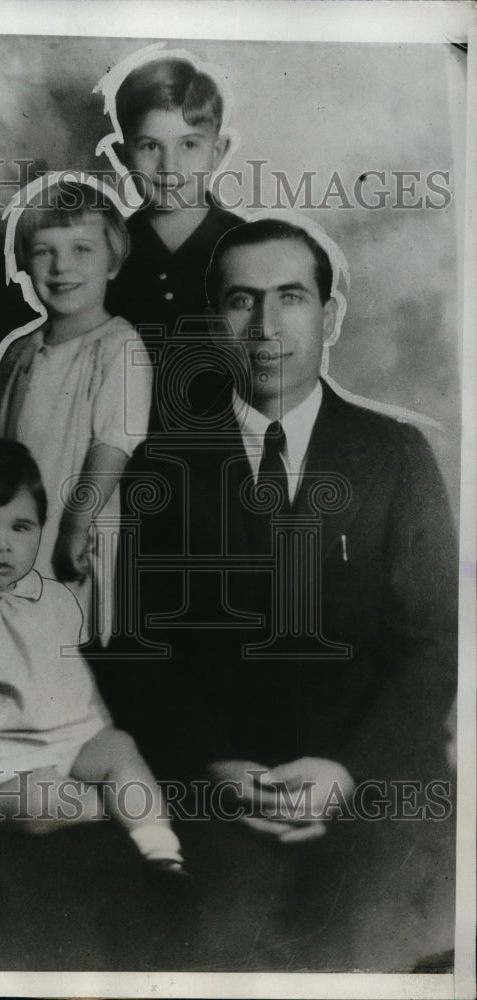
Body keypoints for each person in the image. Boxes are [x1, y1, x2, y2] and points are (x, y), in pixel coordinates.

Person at [102, 217, 458, 839]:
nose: (265, 327)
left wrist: (348, 774)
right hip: (215, 797)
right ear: (214, 324)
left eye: (290, 297)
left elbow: (435, 644)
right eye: (242, 301)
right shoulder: (160, 466)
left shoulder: (399, 455)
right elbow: (137, 649)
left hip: (376, 794)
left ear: (331, 316)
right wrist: (214, 765)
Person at [0, 437, 187, 877]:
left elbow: (75, 677)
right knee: (43, 802)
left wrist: (98, 732)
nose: (2, 544)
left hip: (56, 742)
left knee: (119, 747)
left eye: (20, 527)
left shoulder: (51, 599)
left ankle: (162, 852)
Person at [0, 179, 152, 643]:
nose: (61, 267)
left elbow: (112, 446)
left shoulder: (117, 347)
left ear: (112, 262)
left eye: (81, 249)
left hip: (70, 523)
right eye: (44, 252)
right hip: (10, 522)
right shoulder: (19, 350)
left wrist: (77, 524)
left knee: (59, 635)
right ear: (25, 262)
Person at [100, 52, 244, 430]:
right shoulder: (104, 251)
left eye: (189, 145)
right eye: (150, 146)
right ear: (122, 156)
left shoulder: (248, 247)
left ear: (218, 152)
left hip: (230, 450)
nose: (169, 167)